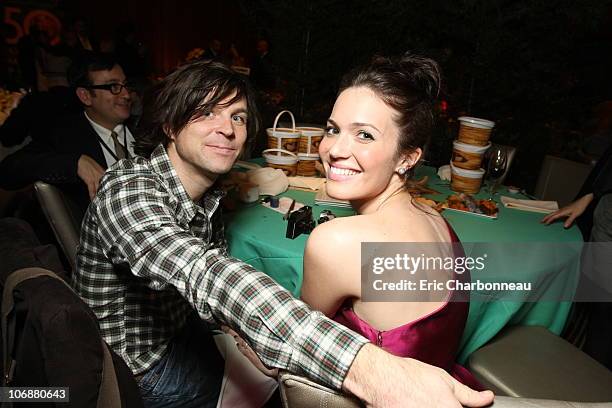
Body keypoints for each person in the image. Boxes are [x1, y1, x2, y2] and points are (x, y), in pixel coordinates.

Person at [72, 59, 493, 407]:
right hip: (136, 367)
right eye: (206, 112)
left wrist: (241, 330)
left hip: (184, 332)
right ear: (169, 125)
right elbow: (204, 272)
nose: (227, 128)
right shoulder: (128, 190)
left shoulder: (211, 196)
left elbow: (218, 292)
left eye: (237, 116)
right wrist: (368, 367)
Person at [299, 54, 480, 388]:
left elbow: (294, 344)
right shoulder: (434, 218)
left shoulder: (336, 241)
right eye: (332, 129)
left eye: (364, 135)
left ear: (407, 157)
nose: (335, 149)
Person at [0, 52, 135, 219]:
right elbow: (8, 171)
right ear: (85, 96)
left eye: (126, 85)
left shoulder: (145, 127)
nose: (127, 95)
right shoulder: (66, 136)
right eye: (113, 87)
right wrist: (75, 162)